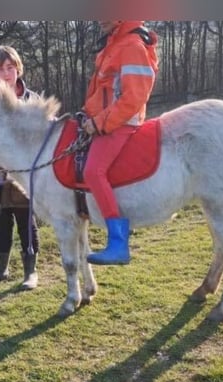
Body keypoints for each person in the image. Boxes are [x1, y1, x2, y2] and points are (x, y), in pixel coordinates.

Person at [81, 20, 159, 265]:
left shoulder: (131, 45)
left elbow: (133, 98)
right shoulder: (115, 43)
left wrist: (99, 123)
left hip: (121, 122)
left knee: (93, 171)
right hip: (106, 118)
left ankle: (118, 244)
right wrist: (87, 114)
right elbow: (102, 91)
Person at [0, 45, 41, 290]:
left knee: (26, 223)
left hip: (23, 178)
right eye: (1, 68)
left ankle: (30, 273)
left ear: (18, 69)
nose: (6, 73)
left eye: (10, 68)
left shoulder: (32, 100)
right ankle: (0, 270)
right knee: (1, 224)